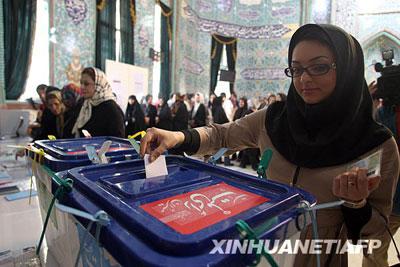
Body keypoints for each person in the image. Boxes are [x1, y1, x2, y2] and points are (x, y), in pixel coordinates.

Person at [140, 24, 400, 266]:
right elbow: (221, 136)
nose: (304, 79)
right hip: (262, 250)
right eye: (296, 69)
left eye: (318, 67)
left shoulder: (376, 144)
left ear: (347, 68)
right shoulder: (274, 119)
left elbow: (375, 237)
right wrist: (178, 137)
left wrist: (356, 205)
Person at [72, 67, 125, 138]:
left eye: (86, 84)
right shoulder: (85, 104)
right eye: (81, 83)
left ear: (98, 85)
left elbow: (118, 140)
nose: (82, 87)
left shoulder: (111, 108)